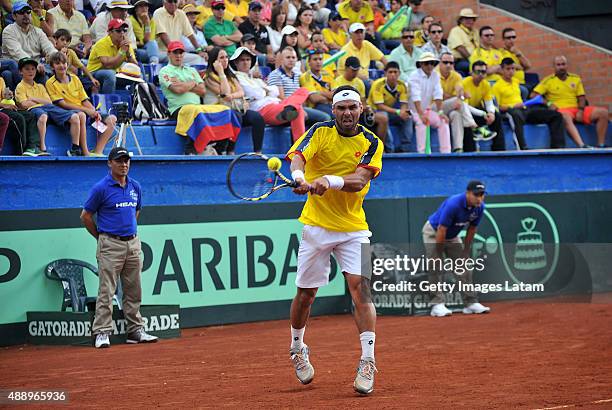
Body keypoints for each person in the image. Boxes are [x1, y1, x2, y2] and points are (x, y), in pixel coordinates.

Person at [286, 84, 383, 395]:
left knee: (362, 289)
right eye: (341, 108)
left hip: (355, 227)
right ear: (333, 111)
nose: (347, 113)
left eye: (352, 107)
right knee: (306, 295)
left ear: (361, 108)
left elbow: (359, 181)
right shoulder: (319, 131)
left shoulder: (372, 141)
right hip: (315, 226)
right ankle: (297, 347)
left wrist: (328, 180)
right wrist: (300, 178)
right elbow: (299, 157)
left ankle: (368, 360)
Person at [81, 146, 159, 349]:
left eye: (126, 161)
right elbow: (86, 216)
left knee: (134, 289)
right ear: (110, 163)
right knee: (107, 290)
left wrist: (129, 233)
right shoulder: (100, 188)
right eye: (119, 161)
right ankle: (101, 332)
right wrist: (102, 237)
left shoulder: (135, 187)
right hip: (109, 243)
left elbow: (136, 212)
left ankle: (135, 331)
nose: (124, 164)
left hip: (132, 244)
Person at [423, 180, 492, 317]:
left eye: (482, 195)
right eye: (476, 195)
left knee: (464, 266)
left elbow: (472, 229)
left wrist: (465, 251)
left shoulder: (480, 207)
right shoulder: (453, 204)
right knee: (436, 265)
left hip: (453, 236)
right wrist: (438, 252)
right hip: (434, 232)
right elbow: (442, 229)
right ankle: (437, 305)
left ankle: (470, 303)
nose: (479, 198)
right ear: (468, 193)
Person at [159, 41, 238, 155]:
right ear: (169, 53)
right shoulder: (165, 71)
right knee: (196, 111)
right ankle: (190, 150)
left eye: (181, 53)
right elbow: (177, 90)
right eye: (175, 53)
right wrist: (192, 83)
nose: (178, 56)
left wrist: (183, 83)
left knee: (225, 110)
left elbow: (202, 90)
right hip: (179, 108)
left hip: (197, 107)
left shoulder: (191, 70)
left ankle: (221, 147)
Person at [46, 51, 117, 157]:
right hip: (69, 112)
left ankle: (98, 151)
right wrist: (86, 110)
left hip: (83, 109)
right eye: (57, 63)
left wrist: (93, 111)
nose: (62, 66)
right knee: (82, 115)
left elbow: (84, 99)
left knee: (112, 119)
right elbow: (63, 104)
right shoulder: (50, 83)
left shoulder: (75, 78)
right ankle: (85, 151)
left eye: (64, 63)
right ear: (52, 66)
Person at [231, 46, 308, 143]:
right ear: (236, 62)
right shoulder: (237, 78)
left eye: (248, 59)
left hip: (278, 104)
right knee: (299, 110)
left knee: (303, 90)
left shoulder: (256, 79)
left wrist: (264, 90)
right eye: (242, 60)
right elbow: (255, 93)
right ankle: (300, 146)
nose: (246, 62)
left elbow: (275, 91)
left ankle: (291, 107)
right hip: (263, 108)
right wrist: (266, 90)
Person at [532, 55, 609, 149]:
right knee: (564, 117)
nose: (561, 67)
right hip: (562, 110)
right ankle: (582, 145)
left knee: (603, 112)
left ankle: (601, 145)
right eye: (558, 65)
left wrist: (580, 110)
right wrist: (548, 103)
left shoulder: (575, 78)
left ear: (567, 65)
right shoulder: (548, 81)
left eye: (563, 64)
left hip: (577, 108)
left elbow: (581, 97)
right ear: (554, 67)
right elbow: (533, 95)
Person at [16, 57, 86, 156]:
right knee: (43, 116)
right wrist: (39, 102)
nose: (30, 71)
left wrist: (32, 98)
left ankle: (75, 148)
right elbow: (24, 104)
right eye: (27, 69)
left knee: (75, 117)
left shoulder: (40, 86)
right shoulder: (20, 86)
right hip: (33, 110)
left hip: (48, 108)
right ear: (20, 72)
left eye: (33, 69)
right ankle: (42, 148)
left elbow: (49, 102)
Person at [492, 57, 565, 150]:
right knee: (516, 114)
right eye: (508, 69)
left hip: (524, 109)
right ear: (502, 70)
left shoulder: (515, 81)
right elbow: (497, 107)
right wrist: (513, 106)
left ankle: (558, 147)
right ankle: (522, 147)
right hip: (509, 111)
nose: (511, 71)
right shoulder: (496, 86)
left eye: (513, 69)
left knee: (555, 115)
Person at [204, 46, 265, 154]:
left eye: (226, 57)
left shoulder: (231, 76)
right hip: (216, 110)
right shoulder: (209, 77)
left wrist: (231, 96)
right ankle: (229, 150)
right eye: (221, 58)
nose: (225, 60)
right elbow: (224, 92)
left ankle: (258, 152)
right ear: (214, 61)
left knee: (257, 117)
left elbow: (240, 92)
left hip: (232, 107)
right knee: (236, 116)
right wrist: (221, 73)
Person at [438, 52, 495, 153]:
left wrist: (459, 96)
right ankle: (474, 127)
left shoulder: (457, 76)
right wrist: (459, 96)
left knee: (456, 114)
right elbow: (439, 97)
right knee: (459, 102)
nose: (448, 65)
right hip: (434, 107)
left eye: (451, 63)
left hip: (451, 107)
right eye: (445, 62)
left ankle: (458, 148)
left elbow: (459, 93)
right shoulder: (435, 75)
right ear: (439, 63)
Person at [268, 46, 331, 126]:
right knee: (325, 118)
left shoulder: (299, 74)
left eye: (293, 57)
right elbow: (281, 98)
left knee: (327, 117)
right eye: (288, 57)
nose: (291, 60)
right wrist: (299, 109)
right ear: (282, 59)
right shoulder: (275, 75)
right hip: (284, 109)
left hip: (300, 108)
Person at [408, 52, 451, 153]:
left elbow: (438, 94)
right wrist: (421, 114)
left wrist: (440, 112)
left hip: (426, 110)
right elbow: (415, 96)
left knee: (443, 121)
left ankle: (446, 153)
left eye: (432, 63)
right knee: (422, 123)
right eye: (427, 63)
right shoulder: (414, 76)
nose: (430, 66)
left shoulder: (435, 75)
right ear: (421, 64)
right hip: (412, 111)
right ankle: (422, 154)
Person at [2, 1, 56, 79]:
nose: (26, 15)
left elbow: (49, 48)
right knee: (8, 74)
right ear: (14, 16)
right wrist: (34, 65)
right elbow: (17, 53)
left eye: (28, 12)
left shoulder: (37, 31)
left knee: (57, 66)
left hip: (36, 66)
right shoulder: (9, 31)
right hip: (18, 66)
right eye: (21, 12)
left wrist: (58, 57)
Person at [367, 61, 412, 152]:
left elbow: (404, 103)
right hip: (372, 112)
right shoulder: (378, 84)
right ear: (385, 73)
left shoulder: (402, 85)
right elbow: (379, 106)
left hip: (390, 111)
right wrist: (398, 112)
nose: (393, 75)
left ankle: (405, 148)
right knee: (384, 116)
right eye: (390, 72)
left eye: (395, 72)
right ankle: (389, 149)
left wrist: (403, 111)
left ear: (399, 73)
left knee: (409, 115)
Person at [462, 60, 506, 152]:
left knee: (497, 116)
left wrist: (491, 113)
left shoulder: (485, 84)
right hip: (466, 112)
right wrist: (483, 114)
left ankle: (499, 150)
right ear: (471, 73)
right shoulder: (465, 83)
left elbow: (489, 102)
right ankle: (470, 152)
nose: (481, 74)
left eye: (483, 72)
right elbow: (464, 106)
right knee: (467, 121)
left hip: (477, 112)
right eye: (478, 72)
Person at [87, 18, 140, 94]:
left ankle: (138, 101)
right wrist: (122, 51)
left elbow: (135, 66)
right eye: (118, 31)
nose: (122, 33)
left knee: (137, 74)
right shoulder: (101, 44)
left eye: (124, 30)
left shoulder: (125, 44)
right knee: (110, 74)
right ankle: (107, 102)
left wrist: (128, 54)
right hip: (94, 73)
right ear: (110, 33)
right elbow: (108, 65)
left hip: (115, 72)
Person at [0, 76, 40, 156]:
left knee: (30, 115)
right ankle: (20, 153)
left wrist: (9, 95)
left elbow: (5, 95)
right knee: (18, 118)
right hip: (2, 109)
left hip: (6, 106)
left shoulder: (1, 80)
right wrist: (2, 105)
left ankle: (32, 147)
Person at [300, 48, 334, 118]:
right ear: (309, 62)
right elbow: (314, 98)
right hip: (315, 108)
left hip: (329, 105)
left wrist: (319, 92)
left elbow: (335, 95)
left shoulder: (328, 75)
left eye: (320, 59)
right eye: (315, 59)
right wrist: (329, 98)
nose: (318, 62)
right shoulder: (305, 77)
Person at [238, 1, 273, 66]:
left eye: (259, 11)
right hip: (250, 56)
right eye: (254, 11)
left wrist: (270, 56)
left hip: (265, 57)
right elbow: (247, 47)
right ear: (248, 13)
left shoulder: (263, 28)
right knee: (262, 58)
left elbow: (269, 46)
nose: (257, 13)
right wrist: (264, 56)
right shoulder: (243, 27)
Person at [500, 27, 531, 99]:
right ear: (503, 40)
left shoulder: (517, 52)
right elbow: (504, 67)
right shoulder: (500, 53)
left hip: (522, 82)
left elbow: (528, 66)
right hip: (511, 84)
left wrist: (519, 54)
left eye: (513, 37)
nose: (511, 40)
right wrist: (520, 67)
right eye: (508, 38)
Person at [447, 8, 479, 74]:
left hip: (476, 59)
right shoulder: (455, 30)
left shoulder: (475, 31)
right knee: (476, 68)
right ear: (460, 20)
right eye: (466, 18)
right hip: (460, 61)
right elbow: (460, 48)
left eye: (471, 19)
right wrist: (472, 61)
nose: (469, 21)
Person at [129, 0, 160, 64]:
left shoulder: (152, 20)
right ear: (135, 9)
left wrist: (148, 22)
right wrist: (147, 24)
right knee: (146, 54)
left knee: (167, 56)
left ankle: (153, 64)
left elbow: (150, 40)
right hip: (136, 50)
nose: (144, 8)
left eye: (146, 5)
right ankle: (154, 65)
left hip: (150, 48)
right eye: (140, 6)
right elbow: (145, 40)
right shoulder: (132, 20)